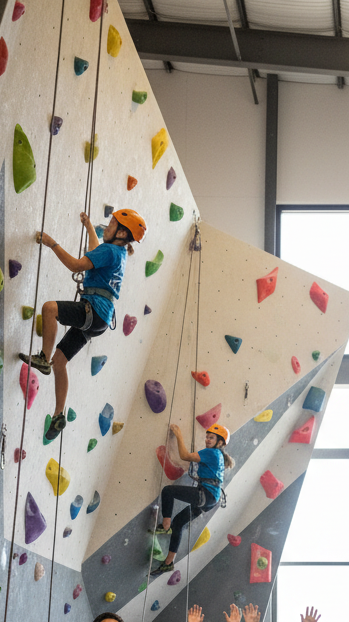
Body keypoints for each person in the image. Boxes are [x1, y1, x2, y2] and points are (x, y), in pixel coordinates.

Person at [21, 209, 146, 442]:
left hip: (95, 311)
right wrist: (89, 227)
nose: (107, 227)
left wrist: (51, 243)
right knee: (60, 362)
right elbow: (94, 253)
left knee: (50, 309)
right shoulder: (116, 252)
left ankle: (42, 357)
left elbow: (77, 265)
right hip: (98, 319)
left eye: (111, 225)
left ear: (121, 233)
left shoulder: (111, 250)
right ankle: (59, 415)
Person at [151, 423, 234, 577]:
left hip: (206, 494)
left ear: (220, 442)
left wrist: (178, 435)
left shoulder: (212, 453)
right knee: (179, 522)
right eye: (207, 437)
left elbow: (185, 456)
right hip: (210, 499)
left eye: (212, 438)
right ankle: (169, 562)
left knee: (168, 491)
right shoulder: (218, 456)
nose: (208, 440)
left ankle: (165, 525)